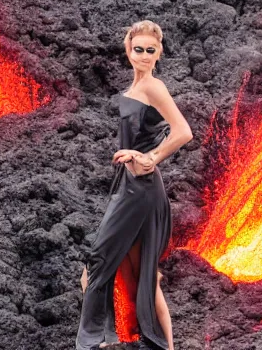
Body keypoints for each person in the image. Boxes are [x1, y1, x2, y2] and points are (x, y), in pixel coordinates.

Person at [75, 21, 192, 350]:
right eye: (137, 49)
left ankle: (97, 340)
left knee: (98, 264)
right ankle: (161, 346)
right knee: (143, 276)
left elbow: (183, 131)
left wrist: (151, 157)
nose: (143, 55)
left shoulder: (154, 87)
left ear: (159, 54)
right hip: (128, 186)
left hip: (140, 191)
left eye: (150, 50)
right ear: (128, 50)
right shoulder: (135, 87)